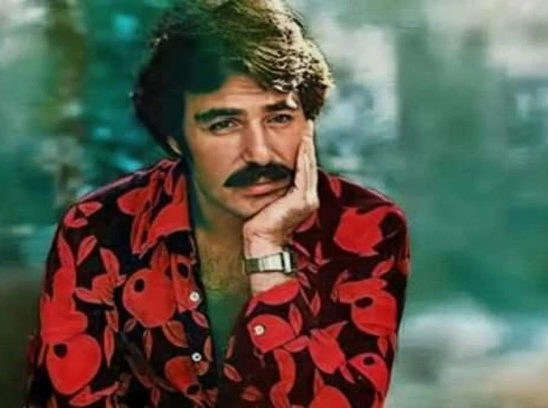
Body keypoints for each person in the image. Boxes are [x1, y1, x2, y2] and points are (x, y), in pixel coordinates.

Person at [24, 0, 410, 407]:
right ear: (176, 139)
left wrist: (268, 250)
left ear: (308, 123)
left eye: (279, 118)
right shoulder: (99, 228)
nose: (259, 153)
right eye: (224, 124)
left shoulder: (367, 227)